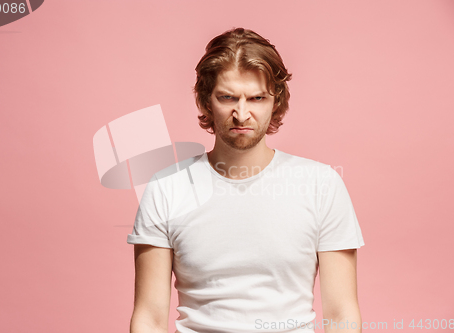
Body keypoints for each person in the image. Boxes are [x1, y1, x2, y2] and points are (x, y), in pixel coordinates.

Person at [128, 27, 365, 333]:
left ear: (275, 102)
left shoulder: (321, 184)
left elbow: (341, 312)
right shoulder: (166, 188)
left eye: (256, 98)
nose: (242, 114)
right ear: (205, 101)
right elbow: (149, 317)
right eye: (228, 97)